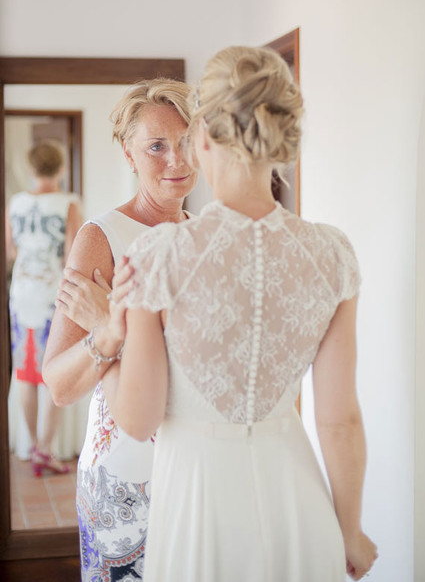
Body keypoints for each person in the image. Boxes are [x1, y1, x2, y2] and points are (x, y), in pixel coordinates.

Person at [90, 46, 379, 581]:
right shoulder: (332, 254)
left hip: (198, 504)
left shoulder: (158, 257)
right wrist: (351, 532)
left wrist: (106, 340)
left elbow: (137, 420)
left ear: (201, 137)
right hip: (298, 501)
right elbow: (340, 421)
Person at [42, 78, 197, 582]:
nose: (177, 160)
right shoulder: (101, 238)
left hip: (195, 467)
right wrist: (107, 332)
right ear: (129, 154)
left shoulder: (207, 237)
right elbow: (59, 385)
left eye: (187, 141)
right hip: (124, 477)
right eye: (157, 146)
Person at [5, 141, 82, 476]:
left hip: (22, 292)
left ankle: (34, 443)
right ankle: (46, 450)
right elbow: (73, 255)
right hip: (53, 294)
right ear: (60, 167)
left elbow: (9, 251)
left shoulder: (16, 203)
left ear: (31, 168)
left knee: (25, 371)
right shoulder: (69, 203)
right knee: (53, 368)